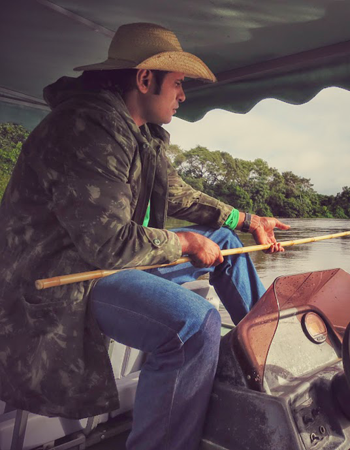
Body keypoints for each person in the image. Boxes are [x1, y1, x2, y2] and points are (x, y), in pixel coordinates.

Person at [0, 22, 289, 449]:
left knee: (227, 243)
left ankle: (265, 355)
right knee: (194, 325)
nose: (183, 95)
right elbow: (110, 243)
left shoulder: (138, 133)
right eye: (177, 84)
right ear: (144, 78)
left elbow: (177, 194)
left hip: (99, 263)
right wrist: (188, 243)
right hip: (65, 278)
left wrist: (247, 220)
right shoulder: (87, 128)